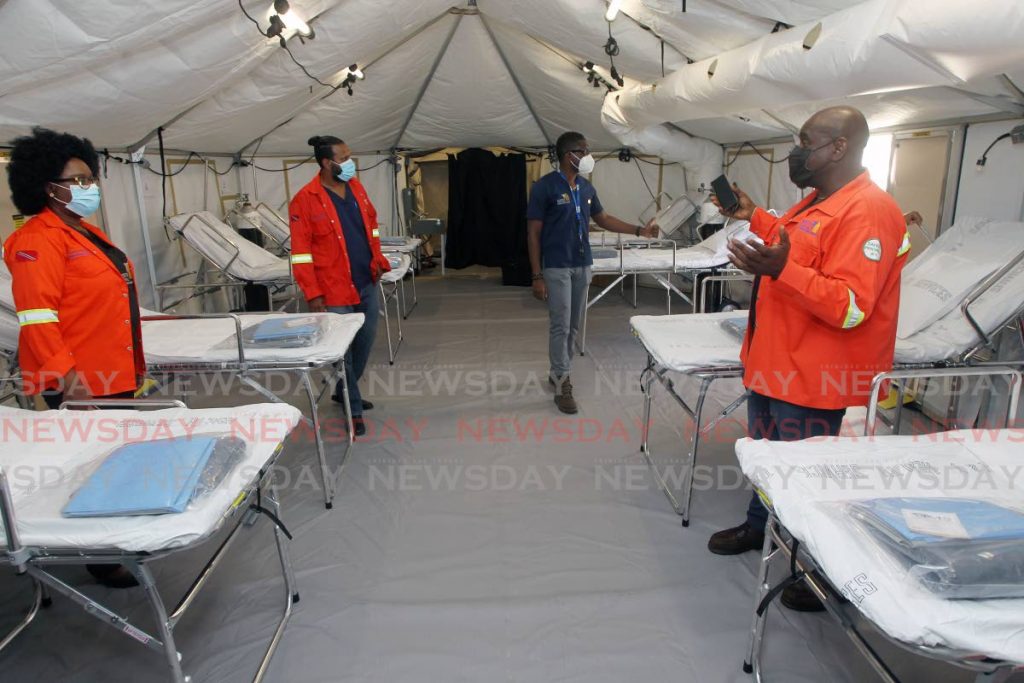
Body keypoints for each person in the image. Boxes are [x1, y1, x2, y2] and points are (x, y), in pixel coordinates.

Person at [706, 107, 910, 611]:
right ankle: (760, 527)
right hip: (776, 365)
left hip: (814, 376)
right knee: (769, 460)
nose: (796, 152)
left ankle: (821, 570)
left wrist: (782, 271)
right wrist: (752, 216)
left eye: (805, 142)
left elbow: (851, 306)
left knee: (811, 480)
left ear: (838, 148)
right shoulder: (819, 202)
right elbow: (792, 243)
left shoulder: (869, 212)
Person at [5, 127, 146, 589]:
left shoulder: (82, 229)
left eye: (92, 177)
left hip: (111, 366)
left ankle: (112, 538)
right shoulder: (37, 240)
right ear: (48, 186)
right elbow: (36, 317)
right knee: (91, 467)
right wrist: (68, 379)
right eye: (80, 179)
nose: (91, 187)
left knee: (111, 460)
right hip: (80, 376)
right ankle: (98, 557)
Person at [527, 132, 659, 414]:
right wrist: (537, 275)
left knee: (574, 326)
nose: (588, 156)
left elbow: (604, 219)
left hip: (582, 264)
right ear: (568, 155)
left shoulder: (586, 188)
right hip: (557, 266)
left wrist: (640, 231)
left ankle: (559, 370)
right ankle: (563, 380)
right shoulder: (544, 188)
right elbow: (533, 232)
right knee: (560, 325)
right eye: (583, 151)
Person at [289, 135, 392, 437]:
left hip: (366, 281)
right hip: (332, 290)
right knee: (343, 351)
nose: (350, 163)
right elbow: (301, 253)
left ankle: (343, 390)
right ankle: (353, 407)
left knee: (364, 342)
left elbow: (371, 226)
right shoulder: (305, 200)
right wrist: (313, 293)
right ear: (326, 162)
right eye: (344, 158)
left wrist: (379, 259)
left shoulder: (356, 189)